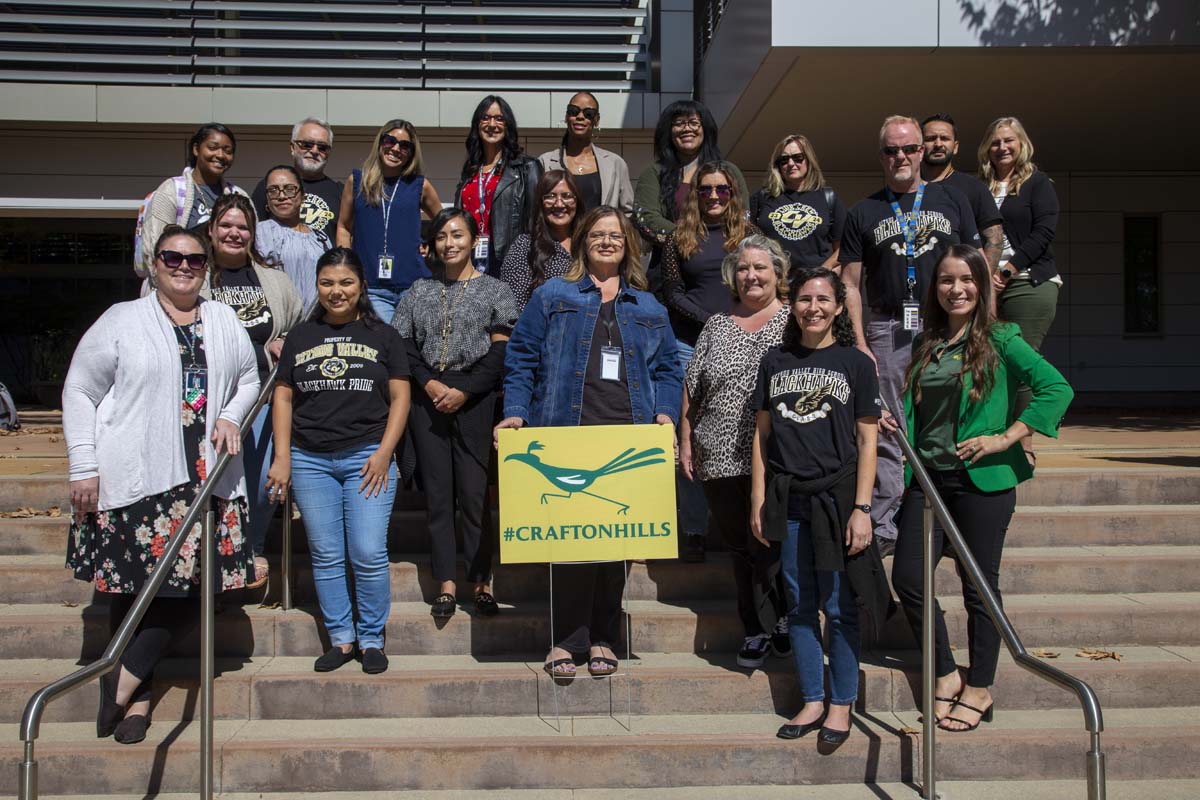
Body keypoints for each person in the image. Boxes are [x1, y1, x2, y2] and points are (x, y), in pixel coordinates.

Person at [63, 225, 259, 745]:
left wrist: (232, 416)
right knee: (129, 594)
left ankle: (119, 682)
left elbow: (249, 377)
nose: (184, 266)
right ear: (155, 263)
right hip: (137, 477)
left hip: (205, 479)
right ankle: (138, 703)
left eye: (195, 260)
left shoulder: (223, 320)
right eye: (173, 257)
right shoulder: (121, 320)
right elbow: (80, 388)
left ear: (207, 268)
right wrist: (82, 463)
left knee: (199, 591)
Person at [497, 206, 683, 681]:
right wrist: (515, 411)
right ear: (582, 241)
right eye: (597, 234)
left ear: (628, 245)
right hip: (566, 433)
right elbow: (520, 356)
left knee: (615, 544)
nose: (606, 242)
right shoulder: (552, 294)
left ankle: (603, 635)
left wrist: (665, 411)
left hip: (627, 432)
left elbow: (667, 368)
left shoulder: (649, 306)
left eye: (615, 236)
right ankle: (567, 639)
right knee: (571, 545)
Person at [892, 245, 1072, 732]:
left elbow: (1057, 388)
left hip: (981, 484)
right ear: (935, 288)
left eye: (966, 280)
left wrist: (1007, 437)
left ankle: (981, 686)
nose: (957, 289)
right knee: (908, 580)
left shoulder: (1001, 338)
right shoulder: (927, 342)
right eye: (947, 280)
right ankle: (947, 672)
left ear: (983, 284)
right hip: (926, 481)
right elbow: (923, 412)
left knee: (979, 589)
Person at [749, 266, 887, 746]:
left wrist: (863, 508)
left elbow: (868, 442)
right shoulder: (774, 360)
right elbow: (762, 435)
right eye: (805, 298)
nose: (813, 307)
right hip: (789, 500)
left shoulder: (856, 363)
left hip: (839, 499)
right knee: (800, 604)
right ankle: (812, 697)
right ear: (793, 305)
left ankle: (841, 704)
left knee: (840, 605)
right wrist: (759, 498)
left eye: (823, 299)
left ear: (837, 307)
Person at [266, 248, 411, 675]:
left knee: (367, 550)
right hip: (310, 459)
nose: (337, 291)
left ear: (361, 286)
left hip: (368, 455)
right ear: (317, 285)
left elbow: (401, 398)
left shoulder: (384, 336)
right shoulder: (300, 336)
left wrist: (385, 453)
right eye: (327, 282)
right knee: (327, 554)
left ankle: (371, 639)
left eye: (346, 282)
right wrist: (281, 457)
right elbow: (284, 396)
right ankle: (341, 638)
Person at [840, 114, 980, 555]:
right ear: (881, 155)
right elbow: (849, 283)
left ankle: (953, 512)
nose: (900, 156)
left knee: (951, 413)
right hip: (886, 327)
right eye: (891, 150)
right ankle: (884, 522)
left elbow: (972, 264)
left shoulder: (953, 199)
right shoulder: (864, 211)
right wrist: (860, 343)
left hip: (946, 324)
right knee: (885, 425)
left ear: (923, 151)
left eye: (909, 148)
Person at [393, 209, 518, 619]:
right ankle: (446, 582)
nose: (450, 243)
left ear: (474, 240)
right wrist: (430, 384)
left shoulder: (496, 290)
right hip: (427, 399)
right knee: (439, 495)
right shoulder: (417, 291)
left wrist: (464, 390)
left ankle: (481, 581)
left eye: (458, 235)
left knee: (475, 494)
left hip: (475, 400)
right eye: (442, 236)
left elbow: (501, 351)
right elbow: (404, 346)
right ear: (431, 245)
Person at [680, 234, 791, 668]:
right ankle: (758, 627)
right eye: (743, 268)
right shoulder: (717, 324)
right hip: (720, 453)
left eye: (760, 268)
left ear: (777, 274)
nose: (751, 276)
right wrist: (686, 438)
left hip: (779, 455)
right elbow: (693, 387)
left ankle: (780, 620)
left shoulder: (794, 321)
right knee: (741, 546)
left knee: (771, 541)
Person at [205, 194, 305, 587]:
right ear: (211, 230)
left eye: (242, 227)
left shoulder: (274, 280)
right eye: (226, 225)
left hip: (264, 396)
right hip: (210, 397)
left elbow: (300, 325)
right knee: (212, 479)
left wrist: (284, 340)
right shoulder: (195, 273)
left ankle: (251, 545)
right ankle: (212, 551)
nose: (234, 233)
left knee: (267, 477)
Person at [662, 160, 757, 562]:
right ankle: (695, 527)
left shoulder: (751, 236)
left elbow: (767, 282)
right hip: (689, 342)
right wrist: (712, 321)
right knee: (691, 434)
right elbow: (672, 291)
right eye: (705, 190)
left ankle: (747, 514)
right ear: (694, 195)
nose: (714, 196)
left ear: (733, 192)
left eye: (722, 189)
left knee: (746, 426)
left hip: (745, 343)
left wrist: (734, 324)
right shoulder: (678, 239)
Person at [978, 116, 1062, 467]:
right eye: (996, 142)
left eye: (1009, 140)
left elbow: (1044, 232)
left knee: (1021, 360)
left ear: (1022, 144)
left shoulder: (1037, 184)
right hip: (987, 284)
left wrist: (1009, 270)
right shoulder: (979, 186)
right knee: (989, 361)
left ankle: (1024, 439)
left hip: (1029, 281)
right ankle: (996, 432)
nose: (1002, 147)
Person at [632, 100, 749, 292]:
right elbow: (646, 219)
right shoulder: (654, 173)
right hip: (669, 275)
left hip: (722, 271)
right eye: (679, 123)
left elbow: (743, 215)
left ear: (706, 129)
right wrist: (690, 242)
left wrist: (710, 244)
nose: (687, 129)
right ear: (668, 131)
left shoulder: (729, 171)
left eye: (694, 123)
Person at [336, 119, 442, 322]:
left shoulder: (419, 185)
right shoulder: (358, 181)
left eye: (405, 146)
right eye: (390, 141)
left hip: (414, 285)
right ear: (380, 143)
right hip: (371, 286)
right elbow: (343, 227)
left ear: (412, 152)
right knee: (384, 344)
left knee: (411, 348)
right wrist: (347, 268)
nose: (396, 148)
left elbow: (444, 223)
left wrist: (431, 244)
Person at [135, 122, 248, 280]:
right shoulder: (171, 190)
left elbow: (252, 246)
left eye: (227, 151)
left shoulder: (239, 195)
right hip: (178, 283)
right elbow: (154, 247)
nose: (221, 155)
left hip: (226, 286)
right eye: (213, 147)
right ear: (196, 149)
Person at [453, 95, 544, 275]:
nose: (492, 124)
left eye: (499, 118)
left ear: (507, 125)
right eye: (485, 118)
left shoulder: (527, 167)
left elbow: (537, 222)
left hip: (509, 262)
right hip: (470, 259)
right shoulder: (470, 170)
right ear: (477, 125)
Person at [749, 134, 846, 280]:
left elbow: (843, 248)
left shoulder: (828, 198)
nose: (791, 163)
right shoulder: (762, 198)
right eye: (784, 159)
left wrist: (823, 270)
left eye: (797, 157)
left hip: (814, 286)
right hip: (774, 285)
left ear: (808, 159)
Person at [920, 114, 1004, 271]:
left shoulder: (974, 188)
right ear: (919, 146)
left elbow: (995, 240)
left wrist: (980, 281)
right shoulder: (909, 188)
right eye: (930, 138)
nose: (938, 144)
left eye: (944, 138)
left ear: (956, 146)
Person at [538, 91, 635, 214]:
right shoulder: (544, 162)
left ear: (596, 120)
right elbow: (537, 209)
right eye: (574, 111)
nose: (580, 116)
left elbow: (627, 211)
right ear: (567, 116)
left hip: (601, 232)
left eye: (588, 113)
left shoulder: (615, 163)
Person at [256, 164, 333, 315]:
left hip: (318, 325)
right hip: (281, 325)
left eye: (289, 189)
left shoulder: (320, 237)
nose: (282, 196)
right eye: (273, 190)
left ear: (302, 195)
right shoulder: (261, 232)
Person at [500, 169, 582, 311]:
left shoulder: (588, 243)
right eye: (550, 196)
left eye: (567, 196)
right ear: (540, 203)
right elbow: (512, 307)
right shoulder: (524, 246)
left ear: (577, 201)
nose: (559, 204)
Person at [251, 117, 343, 237]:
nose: (314, 151)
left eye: (322, 147)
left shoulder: (340, 193)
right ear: (292, 147)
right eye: (307, 144)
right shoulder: (269, 186)